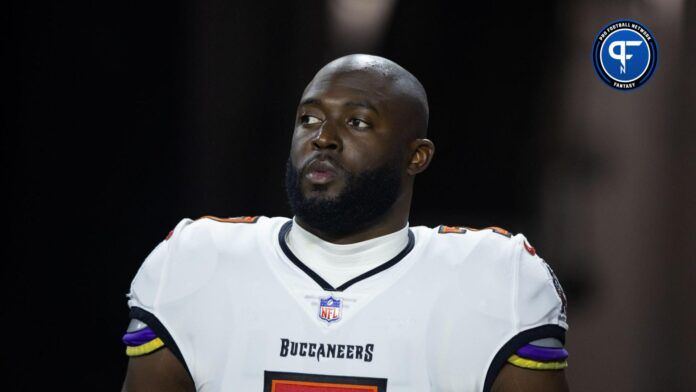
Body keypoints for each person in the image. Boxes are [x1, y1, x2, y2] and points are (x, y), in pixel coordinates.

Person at [121, 54, 570, 392]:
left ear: (417, 156)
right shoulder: (196, 259)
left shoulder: (498, 276)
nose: (323, 138)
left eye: (357, 122)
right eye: (309, 118)